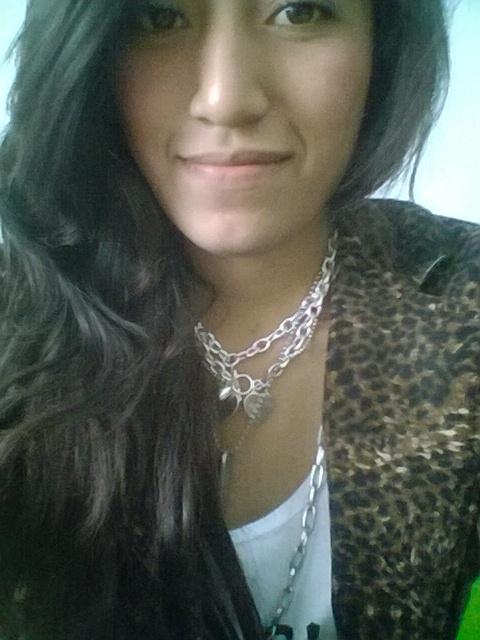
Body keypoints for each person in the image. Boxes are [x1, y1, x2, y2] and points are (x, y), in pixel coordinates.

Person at [0, 0, 478, 638]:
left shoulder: (460, 299)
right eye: (159, 17)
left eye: (299, 11)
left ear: (382, 50)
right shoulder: (18, 330)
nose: (225, 100)